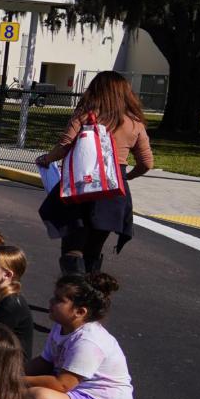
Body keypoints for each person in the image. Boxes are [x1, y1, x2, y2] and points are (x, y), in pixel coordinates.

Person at [37, 70, 153, 274]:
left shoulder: (85, 115)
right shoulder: (135, 123)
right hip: (113, 191)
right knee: (94, 249)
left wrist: (46, 159)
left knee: (73, 246)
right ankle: (89, 296)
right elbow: (146, 163)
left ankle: (73, 291)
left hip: (81, 187)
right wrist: (125, 176)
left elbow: (64, 146)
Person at [26, 273, 134, 399]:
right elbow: (45, 361)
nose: (51, 301)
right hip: (77, 396)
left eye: (59, 299)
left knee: (37, 396)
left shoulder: (89, 340)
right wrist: (13, 371)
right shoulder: (61, 325)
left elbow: (62, 385)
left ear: (80, 311)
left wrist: (16, 381)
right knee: (24, 391)